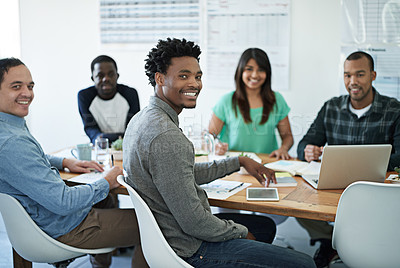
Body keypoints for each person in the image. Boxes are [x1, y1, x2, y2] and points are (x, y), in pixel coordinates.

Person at [123, 38, 316, 268]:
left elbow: (182, 173)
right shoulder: (167, 136)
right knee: (305, 263)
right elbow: (195, 223)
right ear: (160, 78)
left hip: (170, 232)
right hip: (190, 247)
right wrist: (241, 233)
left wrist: (238, 161)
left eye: (197, 76)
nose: (194, 83)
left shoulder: (141, 119)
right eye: (184, 76)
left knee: (265, 226)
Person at [0, 58, 148, 268]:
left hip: (44, 218)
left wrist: (66, 162)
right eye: (17, 86)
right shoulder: (13, 142)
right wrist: (107, 181)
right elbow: (64, 202)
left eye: (30, 86)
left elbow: (29, 159)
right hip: (64, 227)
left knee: (104, 200)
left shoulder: (9, 126)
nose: (27, 93)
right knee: (156, 225)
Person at [296, 51, 400, 268]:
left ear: (373, 75)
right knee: (296, 202)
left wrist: (369, 164)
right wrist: (308, 151)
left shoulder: (394, 109)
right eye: (347, 75)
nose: (353, 82)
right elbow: (303, 145)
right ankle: (331, 241)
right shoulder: (331, 107)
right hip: (333, 189)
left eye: (360, 75)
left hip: (375, 191)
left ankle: (344, 245)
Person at [208, 48, 293, 159]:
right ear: (241, 71)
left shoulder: (277, 100)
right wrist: (215, 145)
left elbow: (288, 137)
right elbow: (209, 136)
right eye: (249, 69)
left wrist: (283, 149)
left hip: (266, 164)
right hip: (234, 166)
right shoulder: (226, 101)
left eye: (261, 70)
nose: (254, 75)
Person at [78, 55, 140, 144]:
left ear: (117, 76)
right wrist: (102, 137)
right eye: (100, 75)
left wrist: (104, 137)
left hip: (126, 145)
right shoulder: (84, 96)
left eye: (111, 74)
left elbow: (133, 130)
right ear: (93, 78)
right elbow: (91, 129)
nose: (106, 79)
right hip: (100, 147)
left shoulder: (130, 94)